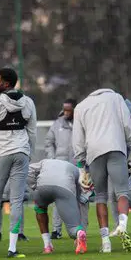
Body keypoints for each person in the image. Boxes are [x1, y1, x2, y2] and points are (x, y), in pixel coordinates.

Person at [0, 67, 37, 258]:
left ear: (5, 84)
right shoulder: (28, 102)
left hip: (1, 154)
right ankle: (12, 248)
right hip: (21, 153)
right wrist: (29, 154)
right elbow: (32, 133)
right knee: (16, 200)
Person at [73, 86, 131, 253]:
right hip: (116, 147)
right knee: (122, 192)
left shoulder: (81, 106)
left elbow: (78, 139)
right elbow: (127, 125)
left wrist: (81, 165)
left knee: (100, 196)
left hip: (94, 152)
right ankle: (122, 226)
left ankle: (105, 242)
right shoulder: (116, 98)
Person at [27, 159, 88, 255]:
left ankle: (47, 245)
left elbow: (28, 170)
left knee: (39, 209)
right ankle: (78, 233)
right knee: (73, 228)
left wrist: (34, 186)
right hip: (64, 188)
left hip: (43, 186)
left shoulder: (44, 162)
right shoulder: (76, 170)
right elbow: (78, 196)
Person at [44, 98, 76, 239]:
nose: (66, 112)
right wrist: (52, 158)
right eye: (64, 109)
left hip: (77, 165)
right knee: (59, 198)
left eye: (69, 110)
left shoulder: (81, 123)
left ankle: (79, 229)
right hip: (61, 166)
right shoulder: (57, 124)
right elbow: (48, 142)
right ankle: (56, 230)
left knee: (81, 199)